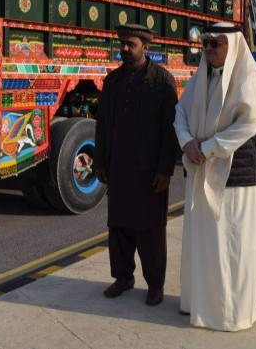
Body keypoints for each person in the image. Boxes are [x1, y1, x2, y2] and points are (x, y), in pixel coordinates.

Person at [174, 23, 256, 331]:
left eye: (216, 43)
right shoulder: (199, 80)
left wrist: (206, 147)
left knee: (233, 249)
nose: (209, 48)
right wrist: (187, 143)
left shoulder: (249, 83)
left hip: (236, 184)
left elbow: (247, 127)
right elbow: (179, 114)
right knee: (205, 245)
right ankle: (200, 305)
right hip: (201, 173)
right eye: (206, 42)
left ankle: (231, 313)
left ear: (233, 46)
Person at [93, 24, 179, 307]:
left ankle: (155, 284)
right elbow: (103, 124)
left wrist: (165, 169)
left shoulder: (162, 81)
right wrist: (101, 162)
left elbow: (171, 130)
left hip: (149, 170)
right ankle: (123, 277)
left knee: (150, 229)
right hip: (119, 166)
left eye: (131, 44)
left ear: (146, 47)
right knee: (118, 225)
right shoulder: (113, 81)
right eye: (122, 44)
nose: (125, 49)